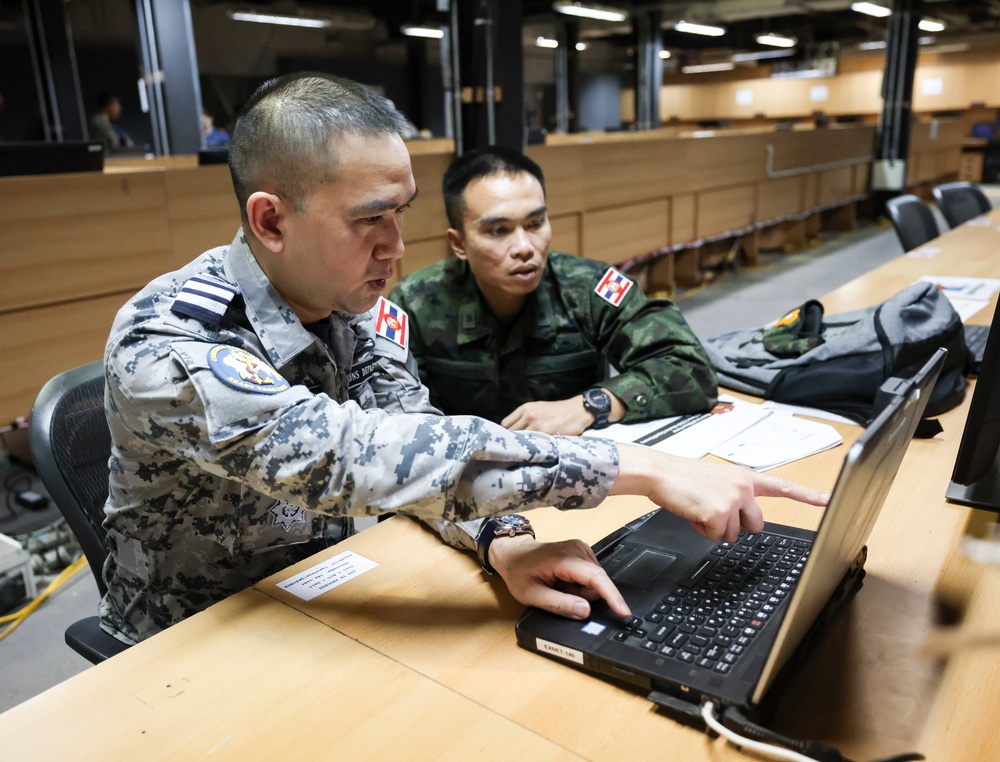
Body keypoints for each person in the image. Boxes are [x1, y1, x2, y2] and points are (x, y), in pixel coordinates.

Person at [100, 72, 828, 644]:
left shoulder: (358, 308)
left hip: (320, 596)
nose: (393, 245)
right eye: (367, 220)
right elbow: (362, 457)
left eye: (400, 212)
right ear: (270, 220)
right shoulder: (170, 342)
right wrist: (639, 470)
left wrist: (502, 542)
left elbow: (418, 438)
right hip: (192, 638)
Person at [389, 146, 717, 436]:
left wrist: (591, 405)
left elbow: (691, 368)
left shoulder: (590, 289)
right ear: (459, 243)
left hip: (574, 478)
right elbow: (385, 411)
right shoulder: (415, 303)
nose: (524, 247)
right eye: (498, 230)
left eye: (534, 224)